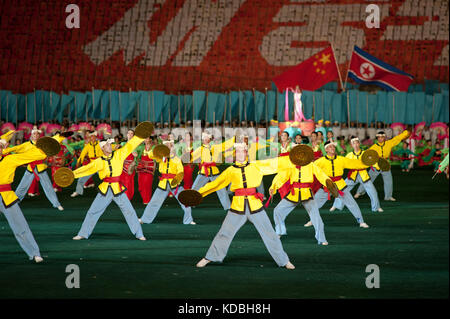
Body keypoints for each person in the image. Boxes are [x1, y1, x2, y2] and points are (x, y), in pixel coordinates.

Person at [192, 143, 295, 269]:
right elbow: (216, 184)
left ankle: (284, 261)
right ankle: (210, 257)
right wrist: (198, 193)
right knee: (224, 233)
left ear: (246, 152)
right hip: (237, 207)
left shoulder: (256, 165)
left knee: (270, 234)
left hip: (255, 206)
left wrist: (295, 158)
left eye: (243, 151)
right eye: (238, 151)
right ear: (235, 154)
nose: (240, 153)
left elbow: (275, 163)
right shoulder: (230, 170)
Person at [69, 126, 150, 241]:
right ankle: (83, 233)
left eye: (110, 144)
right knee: (93, 211)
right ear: (103, 148)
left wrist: (140, 135)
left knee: (129, 211)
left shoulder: (119, 154)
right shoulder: (99, 162)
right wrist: (71, 175)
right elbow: (86, 169)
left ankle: (139, 234)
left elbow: (130, 145)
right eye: (108, 145)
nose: (110, 146)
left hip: (118, 188)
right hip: (105, 189)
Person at [0, 134, 59, 262]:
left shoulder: (9, 160)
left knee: (20, 226)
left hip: (6, 196)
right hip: (6, 197)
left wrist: (46, 149)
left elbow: (31, 156)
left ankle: (34, 252)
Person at [269, 146, 333, 244]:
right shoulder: (290, 165)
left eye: (302, 153)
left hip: (306, 193)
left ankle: (322, 239)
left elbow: (321, 175)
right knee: (278, 210)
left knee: (316, 216)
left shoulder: (311, 165)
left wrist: (328, 182)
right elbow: (281, 176)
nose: (300, 155)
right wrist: (273, 187)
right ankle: (279, 231)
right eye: (298, 153)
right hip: (293, 193)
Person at [306, 140, 370, 228]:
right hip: (326, 185)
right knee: (314, 204)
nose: (332, 148)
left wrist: (369, 162)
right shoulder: (320, 161)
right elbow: (310, 169)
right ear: (326, 150)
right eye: (330, 147)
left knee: (352, 203)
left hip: (340, 185)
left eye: (333, 146)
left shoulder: (341, 159)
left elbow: (355, 164)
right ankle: (312, 220)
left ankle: (361, 221)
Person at [2, 127, 64, 211]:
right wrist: (4, 151)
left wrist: (61, 136)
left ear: (39, 135)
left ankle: (56, 204)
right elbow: (16, 148)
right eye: (34, 134)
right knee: (22, 186)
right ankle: (14, 203)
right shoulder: (26, 144)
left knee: (48, 187)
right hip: (30, 168)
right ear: (31, 135)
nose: (36, 135)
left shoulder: (43, 144)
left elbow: (53, 141)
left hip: (40, 168)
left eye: (37, 134)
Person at [139, 140, 195, 225]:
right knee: (154, 202)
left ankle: (188, 220)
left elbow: (180, 171)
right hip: (163, 184)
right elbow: (151, 155)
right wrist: (152, 149)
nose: (168, 148)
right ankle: (145, 219)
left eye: (170, 146)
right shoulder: (160, 158)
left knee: (185, 200)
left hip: (175, 183)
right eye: (166, 146)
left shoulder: (177, 159)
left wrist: (177, 180)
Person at [330, 137, 383, 213]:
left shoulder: (365, 153)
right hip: (352, 175)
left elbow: (372, 161)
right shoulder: (349, 155)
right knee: (342, 189)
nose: (356, 144)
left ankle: (376, 207)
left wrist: (377, 167)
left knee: (372, 191)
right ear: (351, 145)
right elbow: (343, 162)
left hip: (363, 175)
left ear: (359, 143)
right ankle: (336, 205)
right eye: (354, 143)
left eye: (357, 142)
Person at [354, 130, 410, 201]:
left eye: (382, 137)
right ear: (377, 138)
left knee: (388, 181)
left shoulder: (389, 143)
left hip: (385, 165)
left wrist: (405, 133)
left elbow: (397, 138)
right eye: (379, 137)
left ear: (384, 138)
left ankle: (388, 196)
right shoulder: (374, 147)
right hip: (376, 166)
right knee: (367, 179)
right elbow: (366, 155)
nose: (380, 139)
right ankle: (359, 192)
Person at [191, 132, 234, 210]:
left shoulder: (215, 147)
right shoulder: (200, 149)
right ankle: (190, 203)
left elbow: (225, 145)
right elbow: (191, 157)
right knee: (195, 188)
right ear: (203, 139)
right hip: (204, 172)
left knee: (222, 190)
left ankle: (228, 207)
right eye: (204, 138)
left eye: (207, 138)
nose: (206, 139)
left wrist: (234, 139)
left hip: (214, 172)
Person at [70, 131, 103, 198]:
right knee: (81, 179)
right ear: (90, 138)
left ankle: (114, 191)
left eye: (94, 136)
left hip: (100, 164)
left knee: (107, 178)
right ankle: (78, 191)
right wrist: (78, 163)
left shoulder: (100, 144)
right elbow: (82, 155)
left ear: (96, 137)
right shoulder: (87, 146)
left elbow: (109, 147)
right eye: (91, 136)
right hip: (92, 165)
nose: (92, 138)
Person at [119, 129, 139, 200]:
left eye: (131, 134)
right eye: (129, 133)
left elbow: (136, 155)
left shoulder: (135, 145)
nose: (130, 135)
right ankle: (121, 196)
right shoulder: (122, 144)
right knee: (121, 180)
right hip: (122, 165)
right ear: (127, 135)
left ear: (133, 136)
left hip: (130, 166)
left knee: (128, 181)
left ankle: (127, 197)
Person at [136, 136, 156, 204]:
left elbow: (155, 158)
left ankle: (147, 200)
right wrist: (136, 157)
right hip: (141, 169)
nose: (146, 140)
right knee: (141, 186)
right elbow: (137, 157)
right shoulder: (141, 147)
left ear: (150, 139)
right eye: (145, 138)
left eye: (147, 138)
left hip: (149, 169)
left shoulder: (154, 147)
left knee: (147, 184)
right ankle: (144, 198)